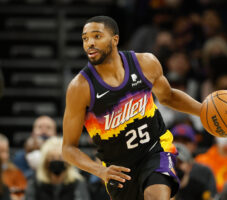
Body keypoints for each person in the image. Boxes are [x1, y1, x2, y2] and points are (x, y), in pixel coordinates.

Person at [62, 15, 207, 200]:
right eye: (85, 38)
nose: (89, 43)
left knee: (156, 196)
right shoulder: (80, 88)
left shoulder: (145, 63)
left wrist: (203, 111)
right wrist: (100, 170)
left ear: (115, 39)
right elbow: (68, 149)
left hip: (155, 149)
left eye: (97, 36)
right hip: (119, 169)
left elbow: (168, 96)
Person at [25, 137, 90, 200]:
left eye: (60, 157)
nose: (56, 161)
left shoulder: (78, 183)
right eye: (52, 158)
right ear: (45, 162)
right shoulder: (35, 183)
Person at [0, 134, 27, 200]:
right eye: (1, 151)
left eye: (6, 151)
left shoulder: (14, 172)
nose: (5, 156)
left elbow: (23, 193)